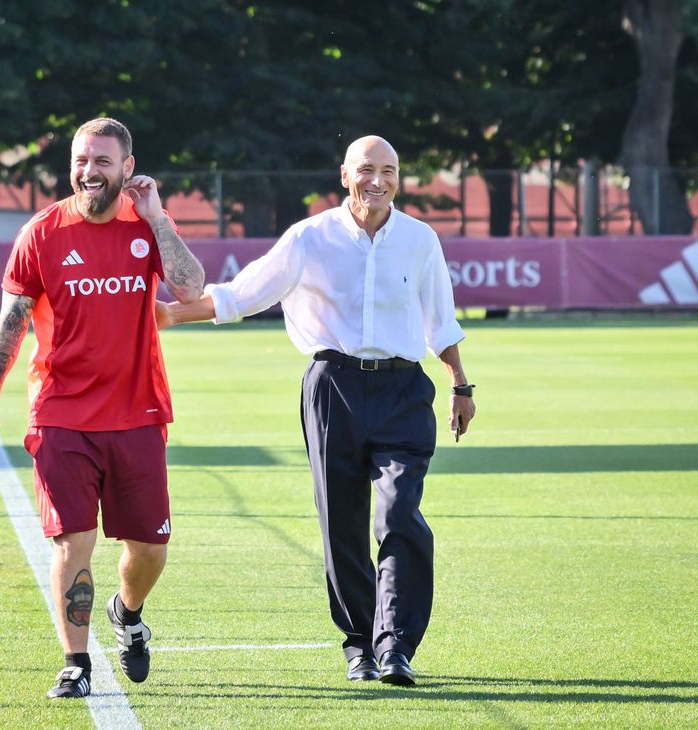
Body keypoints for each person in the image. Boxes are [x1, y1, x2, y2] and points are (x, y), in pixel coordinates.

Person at [161, 135, 476, 686]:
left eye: (389, 170)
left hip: (404, 392)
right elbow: (245, 293)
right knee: (342, 524)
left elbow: (440, 320)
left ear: (399, 178)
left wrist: (461, 384)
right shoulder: (310, 238)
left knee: (400, 515)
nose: (378, 181)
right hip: (333, 389)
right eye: (366, 170)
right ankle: (360, 644)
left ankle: (396, 646)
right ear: (345, 175)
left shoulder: (421, 240)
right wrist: (169, 316)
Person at [0, 117, 204, 700]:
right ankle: (76, 661)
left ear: (127, 167)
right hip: (61, 416)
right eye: (80, 160)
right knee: (72, 541)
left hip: (138, 413)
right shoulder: (42, 233)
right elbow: (11, 324)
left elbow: (191, 288)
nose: (88, 171)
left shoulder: (147, 226)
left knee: (150, 549)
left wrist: (154, 217)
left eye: (102, 161)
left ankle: (126, 613)